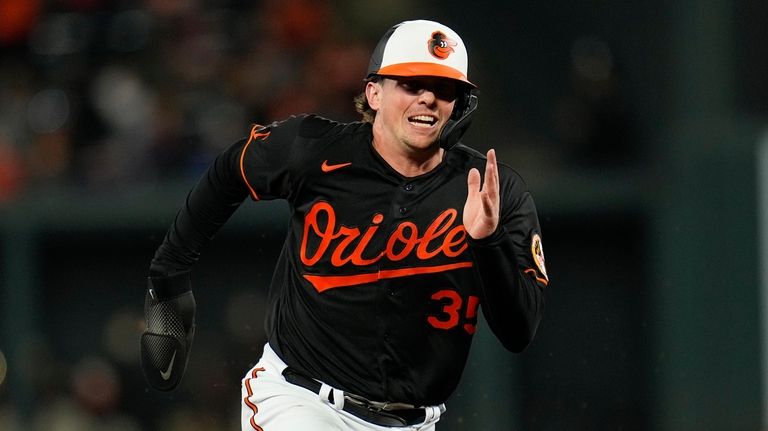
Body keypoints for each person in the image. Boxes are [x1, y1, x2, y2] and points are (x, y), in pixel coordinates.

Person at [140, 19, 548, 431]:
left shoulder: (494, 191)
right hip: (302, 401)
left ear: (459, 105)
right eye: (411, 84)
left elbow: (519, 332)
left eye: (445, 90)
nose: (428, 98)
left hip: (416, 423)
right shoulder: (313, 150)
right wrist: (169, 273)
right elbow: (231, 171)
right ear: (373, 92)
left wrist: (488, 243)